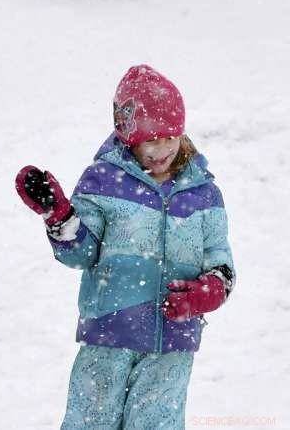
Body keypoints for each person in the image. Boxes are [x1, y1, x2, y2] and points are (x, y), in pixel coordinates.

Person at [15, 65, 235, 429]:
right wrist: (60, 217)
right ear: (128, 136)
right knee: (92, 419)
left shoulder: (204, 194)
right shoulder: (104, 182)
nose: (161, 148)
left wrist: (209, 291)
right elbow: (82, 253)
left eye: (169, 137)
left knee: (156, 423)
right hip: (110, 332)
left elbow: (220, 257)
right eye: (150, 139)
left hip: (174, 340)